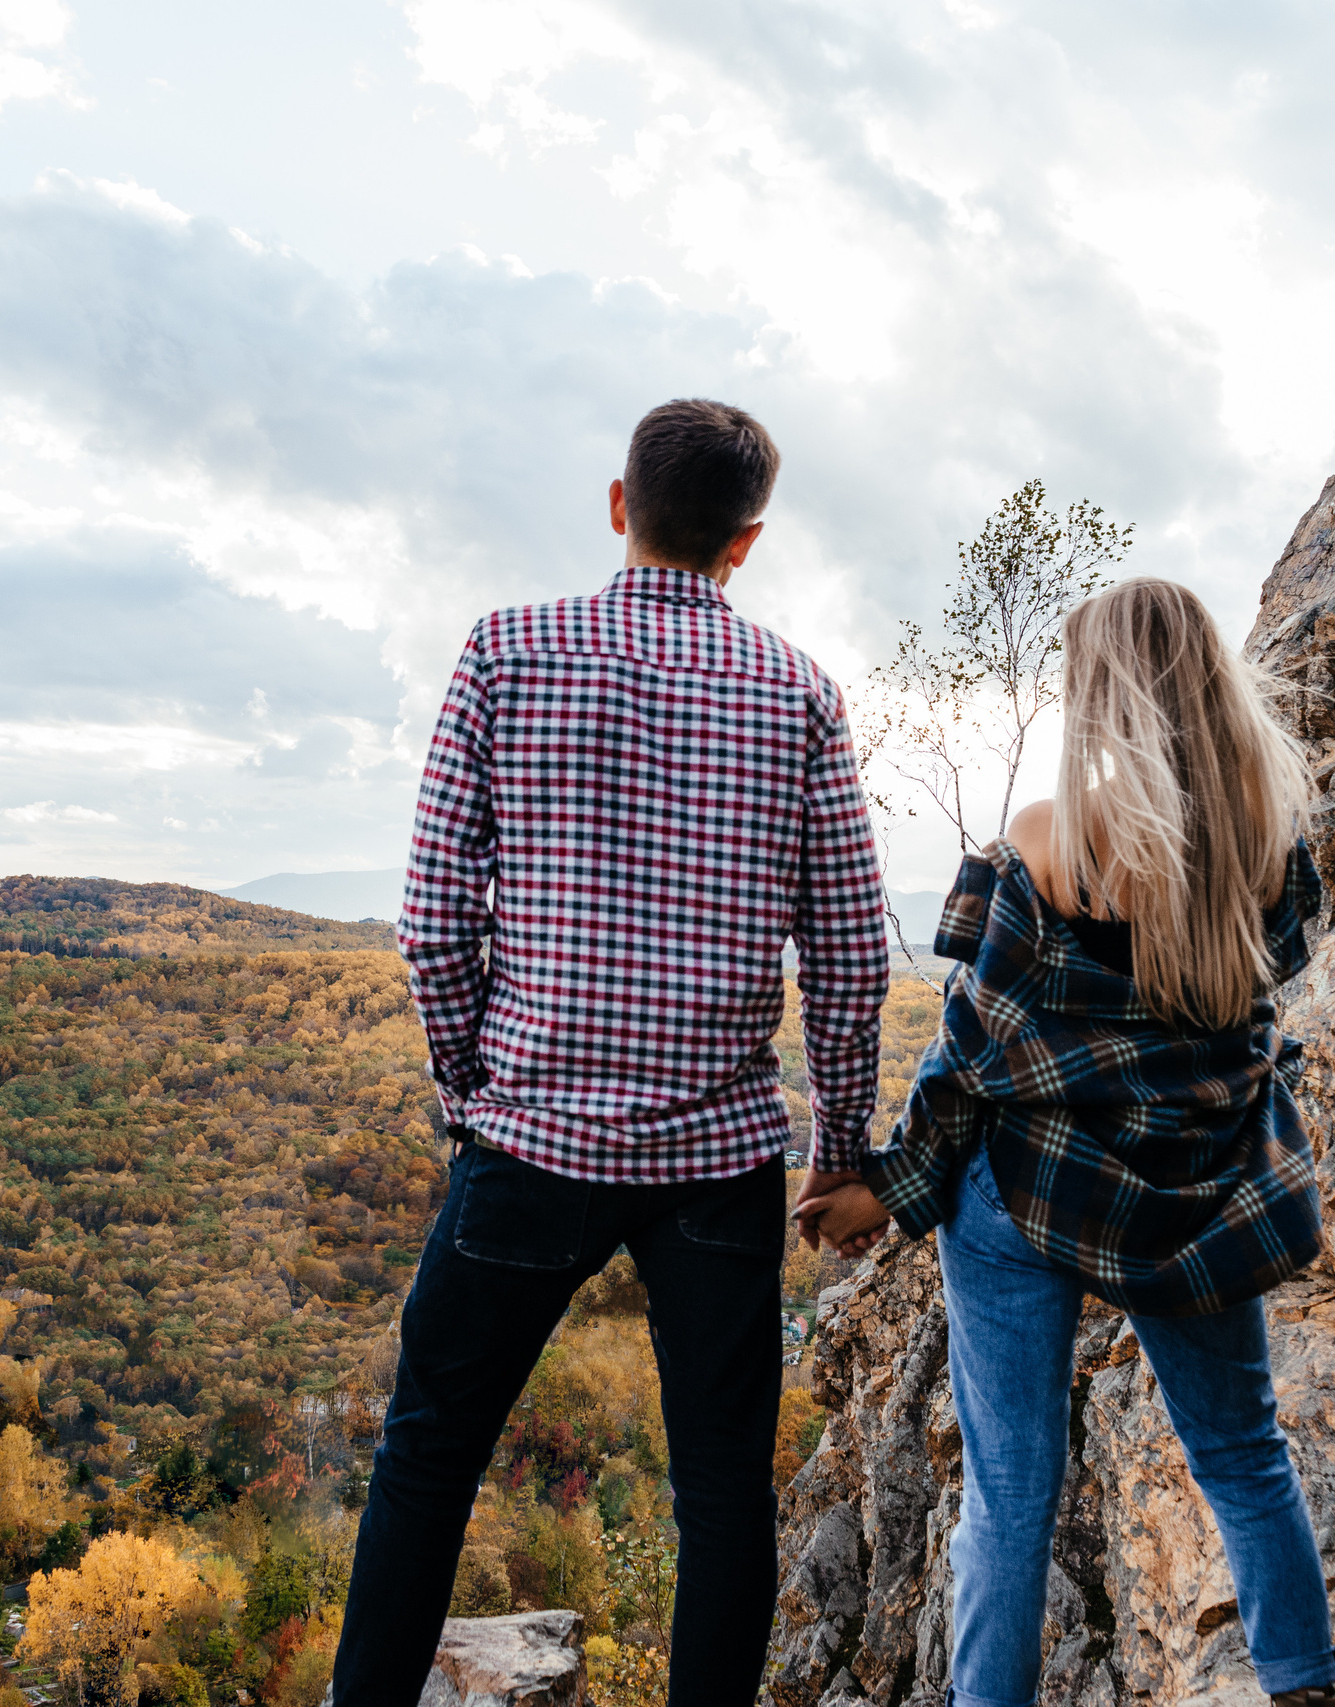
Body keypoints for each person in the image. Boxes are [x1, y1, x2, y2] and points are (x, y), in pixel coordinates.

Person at [331, 399, 891, 1703]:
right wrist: (840, 1150)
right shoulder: (798, 689)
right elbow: (853, 962)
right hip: (718, 1159)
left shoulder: (506, 652)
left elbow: (430, 918)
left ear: (618, 505)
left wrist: (473, 1081)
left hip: (527, 1137)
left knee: (426, 1462)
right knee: (720, 1497)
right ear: (746, 543)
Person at [799, 577, 1335, 1707]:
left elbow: (972, 1057)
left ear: (1095, 693)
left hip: (1033, 1194)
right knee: (1243, 1456)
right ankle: (1304, 1684)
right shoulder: (1268, 839)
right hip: (1198, 1195)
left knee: (1007, 1498)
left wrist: (888, 1192)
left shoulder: (1049, 843)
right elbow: (1269, 993)